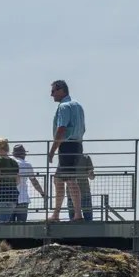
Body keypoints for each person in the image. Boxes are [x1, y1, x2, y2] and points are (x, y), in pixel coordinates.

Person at [47, 80, 86, 221]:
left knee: (70, 180)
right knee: (58, 179)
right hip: (77, 145)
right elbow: (83, 128)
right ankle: (57, 214)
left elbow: (61, 129)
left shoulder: (64, 106)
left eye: (53, 91)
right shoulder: (78, 105)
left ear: (61, 90)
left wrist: (52, 150)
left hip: (68, 146)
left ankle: (77, 214)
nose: (51, 95)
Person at [11, 144, 35, 222]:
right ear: (23, 154)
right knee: (21, 225)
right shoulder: (27, 164)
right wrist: (42, 193)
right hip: (23, 198)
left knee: (8, 226)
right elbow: (34, 181)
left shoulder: (9, 163)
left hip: (9, 197)